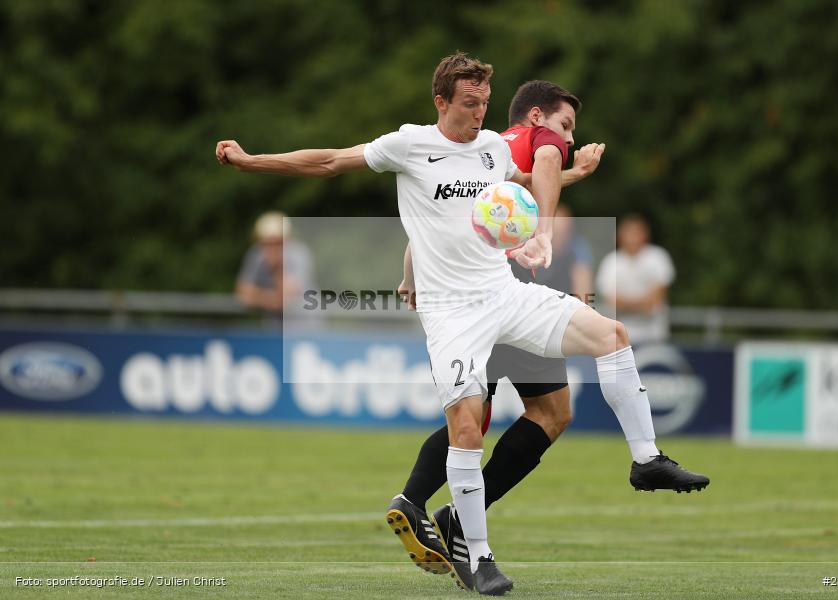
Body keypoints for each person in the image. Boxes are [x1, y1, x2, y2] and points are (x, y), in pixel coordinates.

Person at [216, 53, 707, 596]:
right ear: (441, 102)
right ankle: (478, 558)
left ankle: (646, 460)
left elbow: (523, 180)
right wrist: (252, 160)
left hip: (505, 294)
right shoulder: (408, 145)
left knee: (612, 335)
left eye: (484, 104)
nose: (479, 114)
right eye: (469, 103)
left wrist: (574, 174)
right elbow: (330, 161)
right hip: (451, 314)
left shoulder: (492, 148)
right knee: (469, 427)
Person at [390, 81, 704, 593]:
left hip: (483, 299)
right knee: (519, 414)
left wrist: (409, 275)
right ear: (537, 117)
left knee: (502, 411)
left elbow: (433, 225)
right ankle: (431, 508)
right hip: (503, 301)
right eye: (565, 126)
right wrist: (545, 226)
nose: (567, 138)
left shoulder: (486, 151)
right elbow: (547, 171)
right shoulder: (539, 140)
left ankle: (423, 503)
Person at [596, 214, 675, 344]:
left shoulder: (658, 257)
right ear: (620, 236)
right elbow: (611, 301)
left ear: (645, 235)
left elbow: (656, 299)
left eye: (636, 233)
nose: (632, 238)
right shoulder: (610, 261)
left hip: (654, 335)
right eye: (629, 233)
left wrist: (625, 304)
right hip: (619, 338)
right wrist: (642, 304)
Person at [235, 211, 317, 322]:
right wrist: (269, 300)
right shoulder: (257, 254)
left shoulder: (299, 254)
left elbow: (288, 296)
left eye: (277, 242)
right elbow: (243, 293)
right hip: (274, 324)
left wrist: (276, 268)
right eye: (266, 243)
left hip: (305, 323)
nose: (271, 248)